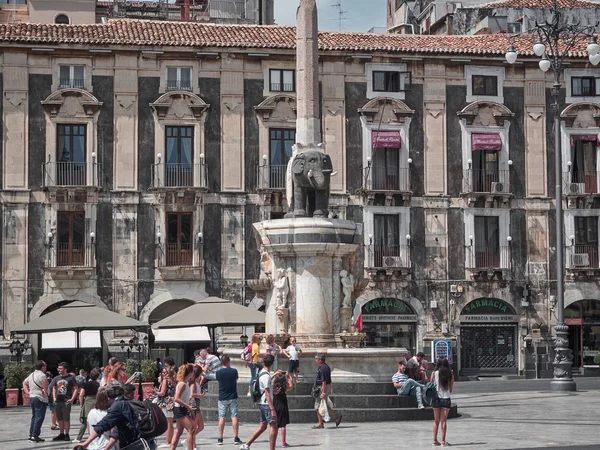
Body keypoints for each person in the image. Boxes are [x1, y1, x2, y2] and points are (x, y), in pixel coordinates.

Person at [75, 381, 157, 450]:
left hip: (136, 445)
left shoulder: (118, 405)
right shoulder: (127, 402)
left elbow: (103, 424)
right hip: (145, 442)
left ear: (109, 396)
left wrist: (86, 443)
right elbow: (115, 433)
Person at [239, 354, 277, 450]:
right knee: (274, 426)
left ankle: (246, 445)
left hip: (262, 402)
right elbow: (267, 394)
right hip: (266, 404)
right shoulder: (266, 376)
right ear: (272, 364)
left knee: (263, 426)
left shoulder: (262, 373)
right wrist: (272, 409)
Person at [215, 355, 242, 445]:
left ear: (221, 362)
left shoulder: (218, 373)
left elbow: (219, 381)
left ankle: (220, 438)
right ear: (228, 361)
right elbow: (236, 380)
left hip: (222, 397)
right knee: (234, 416)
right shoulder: (234, 371)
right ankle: (236, 437)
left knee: (222, 417)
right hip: (233, 396)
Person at [170, 364, 198, 450]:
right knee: (191, 429)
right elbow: (177, 398)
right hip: (180, 409)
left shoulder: (184, 383)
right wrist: (188, 406)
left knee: (178, 431)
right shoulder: (183, 384)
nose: (193, 374)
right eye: (193, 372)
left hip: (181, 409)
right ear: (190, 373)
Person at [312, 354, 341, 429]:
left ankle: (321, 423)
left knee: (318, 405)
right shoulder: (323, 367)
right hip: (323, 387)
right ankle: (336, 416)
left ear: (320, 360)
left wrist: (323, 392)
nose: (315, 360)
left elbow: (324, 382)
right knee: (323, 405)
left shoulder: (323, 368)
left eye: (316, 359)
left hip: (323, 387)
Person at [23, 360, 48, 443]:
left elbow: (24, 382)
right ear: (42, 367)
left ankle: (31, 434)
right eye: (45, 366)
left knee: (34, 417)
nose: (46, 367)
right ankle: (35, 435)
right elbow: (45, 386)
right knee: (39, 417)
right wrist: (46, 391)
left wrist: (27, 392)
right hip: (40, 398)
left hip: (32, 397)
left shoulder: (32, 374)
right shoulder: (42, 375)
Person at [52, 362, 78, 442]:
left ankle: (67, 434)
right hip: (58, 401)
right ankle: (61, 433)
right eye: (58, 368)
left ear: (65, 369)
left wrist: (72, 399)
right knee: (59, 418)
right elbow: (54, 388)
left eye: (60, 368)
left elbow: (76, 388)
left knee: (66, 418)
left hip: (66, 401)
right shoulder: (56, 378)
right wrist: (54, 398)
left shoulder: (71, 378)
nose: (58, 370)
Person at [431, 358, 454, 447]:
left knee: (436, 420)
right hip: (446, 398)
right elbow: (451, 389)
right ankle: (443, 441)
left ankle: (434, 440)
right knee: (443, 421)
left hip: (436, 398)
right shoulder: (450, 374)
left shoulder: (434, 373)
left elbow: (430, 384)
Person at [75, 368, 101, 443]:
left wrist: (81, 404)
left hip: (87, 401)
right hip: (96, 401)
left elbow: (81, 395)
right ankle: (95, 436)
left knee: (85, 421)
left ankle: (79, 437)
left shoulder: (86, 384)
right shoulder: (98, 384)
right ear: (98, 376)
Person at [156, 366, 176, 449]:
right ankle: (171, 440)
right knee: (170, 422)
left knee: (168, 423)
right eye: (162, 373)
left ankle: (168, 441)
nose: (163, 374)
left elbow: (162, 393)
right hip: (171, 402)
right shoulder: (174, 381)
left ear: (168, 373)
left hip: (165, 403)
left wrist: (155, 391)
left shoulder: (165, 381)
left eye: (164, 372)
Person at [272, 370, 293, 448]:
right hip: (283, 406)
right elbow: (291, 385)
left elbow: (269, 381)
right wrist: (289, 377)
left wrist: (275, 374)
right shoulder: (284, 388)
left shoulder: (273, 386)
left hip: (275, 405)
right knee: (283, 425)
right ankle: (283, 442)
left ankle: (273, 440)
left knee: (275, 425)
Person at [189, 365, 206, 450]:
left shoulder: (196, 382)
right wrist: (201, 395)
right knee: (195, 427)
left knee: (201, 426)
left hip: (197, 406)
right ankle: (192, 445)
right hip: (194, 405)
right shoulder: (193, 384)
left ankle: (190, 440)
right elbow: (192, 394)